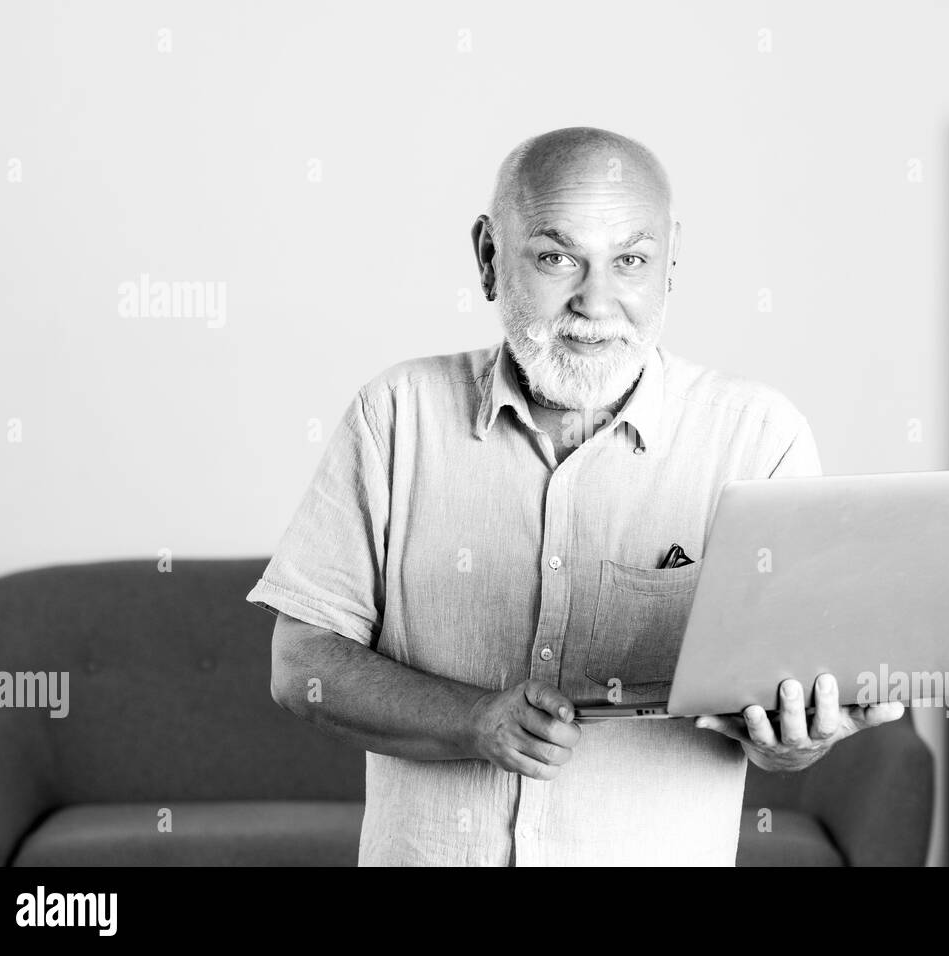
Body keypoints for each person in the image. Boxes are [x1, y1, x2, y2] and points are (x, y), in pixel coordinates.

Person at [250, 126, 903, 866]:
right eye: (558, 257)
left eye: (630, 260)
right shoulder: (394, 415)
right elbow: (299, 666)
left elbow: (780, 730)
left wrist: (797, 738)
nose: (596, 303)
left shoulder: (760, 438)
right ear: (490, 258)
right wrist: (474, 720)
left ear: (670, 265)